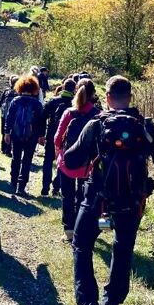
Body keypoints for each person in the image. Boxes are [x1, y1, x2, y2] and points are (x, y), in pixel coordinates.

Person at [64, 75, 154, 305]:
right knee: (123, 247)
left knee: (82, 246)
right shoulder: (144, 126)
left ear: (106, 98)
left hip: (97, 198)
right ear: (131, 97)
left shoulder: (97, 124)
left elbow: (71, 161)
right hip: (132, 200)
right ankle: (112, 300)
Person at [54, 78, 100, 240]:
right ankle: (82, 228)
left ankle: (69, 230)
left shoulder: (69, 113)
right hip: (88, 165)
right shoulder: (98, 115)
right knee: (83, 197)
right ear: (94, 94)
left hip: (68, 161)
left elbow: (58, 138)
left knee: (67, 196)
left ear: (76, 92)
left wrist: (59, 153)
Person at [2, 74, 45, 197]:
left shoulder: (15, 101)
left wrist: (7, 132)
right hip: (32, 136)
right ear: (34, 88)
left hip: (16, 134)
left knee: (16, 158)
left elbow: (9, 118)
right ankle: (21, 186)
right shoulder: (37, 104)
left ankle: (13, 182)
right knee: (27, 160)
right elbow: (41, 121)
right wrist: (41, 135)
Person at [41, 78, 76, 197]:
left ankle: (45, 187)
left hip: (52, 135)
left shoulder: (53, 101)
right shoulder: (75, 104)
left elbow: (43, 117)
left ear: (63, 87)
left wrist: (41, 135)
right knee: (62, 163)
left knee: (47, 161)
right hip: (68, 138)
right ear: (74, 89)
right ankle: (56, 187)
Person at [0, 75, 19, 157]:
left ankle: (3, 148)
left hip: (4, 114)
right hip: (15, 116)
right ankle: (9, 150)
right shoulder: (19, 93)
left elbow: (0, 102)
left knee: (4, 132)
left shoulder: (6, 91)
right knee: (12, 132)